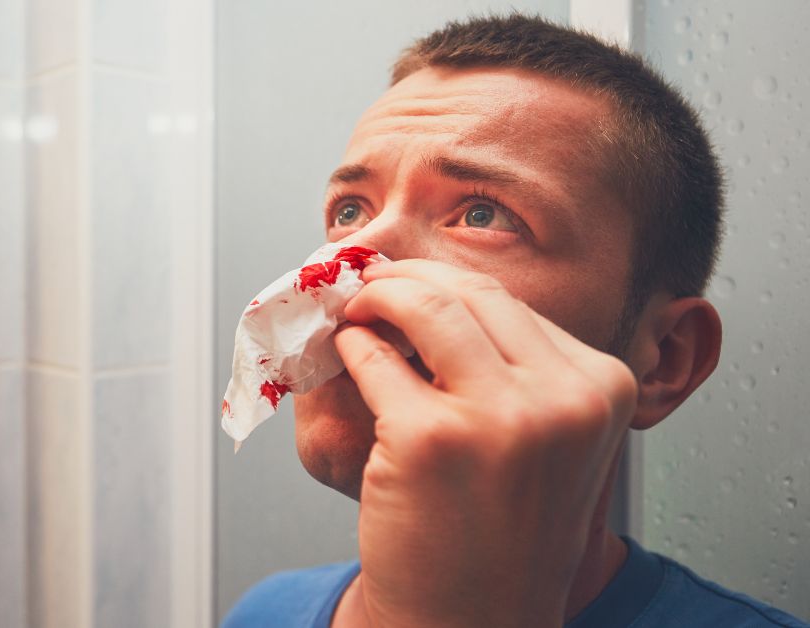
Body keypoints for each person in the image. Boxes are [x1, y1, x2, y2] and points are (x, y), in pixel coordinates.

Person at [224, 15, 808, 628]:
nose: (350, 266)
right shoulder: (263, 612)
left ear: (663, 357)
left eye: (481, 215)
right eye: (350, 209)